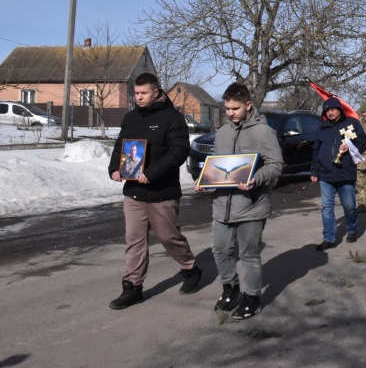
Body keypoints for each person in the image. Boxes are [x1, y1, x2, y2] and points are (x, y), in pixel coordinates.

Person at [107, 73, 201, 310]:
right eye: (136, 93)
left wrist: (152, 172)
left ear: (156, 92)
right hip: (133, 192)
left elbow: (179, 151)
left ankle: (190, 269)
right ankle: (133, 287)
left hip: (162, 191)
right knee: (134, 241)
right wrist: (114, 168)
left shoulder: (172, 118)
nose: (138, 97)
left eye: (143, 93)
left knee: (170, 238)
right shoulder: (130, 118)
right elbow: (121, 145)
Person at [201, 83, 283, 320]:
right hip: (222, 205)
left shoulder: (263, 132)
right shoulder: (223, 132)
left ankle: (252, 297)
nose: (230, 113)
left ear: (248, 105)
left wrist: (255, 179)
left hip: (252, 204)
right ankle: (230, 289)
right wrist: (207, 181)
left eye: (235, 108)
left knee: (248, 253)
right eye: (226, 108)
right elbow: (219, 165)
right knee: (220, 249)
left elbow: (276, 166)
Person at [311, 98, 366, 250]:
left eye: (333, 109)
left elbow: (362, 142)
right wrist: (314, 170)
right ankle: (329, 238)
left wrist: (350, 147)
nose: (330, 112)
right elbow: (316, 151)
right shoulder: (321, 128)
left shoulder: (352, 124)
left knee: (349, 206)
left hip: (345, 172)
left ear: (339, 110)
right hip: (326, 174)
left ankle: (352, 230)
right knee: (327, 207)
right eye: (327, 110)